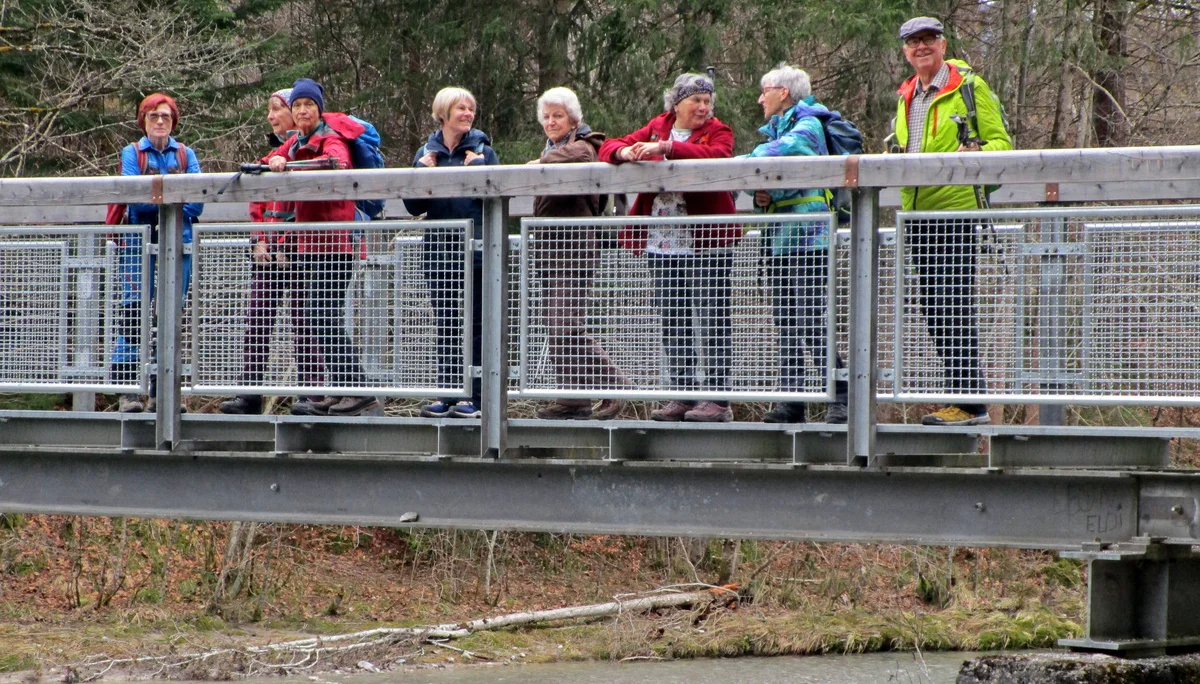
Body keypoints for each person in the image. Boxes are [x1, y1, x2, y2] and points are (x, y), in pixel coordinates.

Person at [598, 73, 739, 422]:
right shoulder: (657, 125)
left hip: (708, 240)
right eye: (697, 101)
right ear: (676, 104)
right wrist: (625, 151)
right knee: (673, 317)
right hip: (663, 241)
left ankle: (718, 400)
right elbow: (607, 146)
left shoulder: (719, 131)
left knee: (712, 317)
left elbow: (717, 156)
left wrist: (666, 149)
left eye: (708, 101)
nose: (704, 108)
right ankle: (683, 395)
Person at [894, 17, 1012, 426]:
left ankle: (970, 403)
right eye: (913, 42)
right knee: (934, 308)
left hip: (956, 211)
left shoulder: (967, 87)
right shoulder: (908, 94)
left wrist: (977, 150)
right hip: (919, 215)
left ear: (942, 44)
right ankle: (963, 399)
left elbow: (1003, 145)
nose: (921, 47)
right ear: (905, 50)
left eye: (928, 39)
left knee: (953, 305)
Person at [265, 78, 378, 417]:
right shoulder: (298, 140)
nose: (301, 111)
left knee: (321, 314)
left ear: (319, 109)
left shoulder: (330, 137)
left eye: (308, 105)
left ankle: (356, 389)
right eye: (297, 105)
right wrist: (272, 162)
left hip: (335, 243)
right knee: (318, 316)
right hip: (310, 244)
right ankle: (343, 387)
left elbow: (336, 164)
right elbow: (270, 158)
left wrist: (290, 166)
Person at [746, 64, 848, 424]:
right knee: (787, 321)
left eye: (765, 90)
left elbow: (777, 155)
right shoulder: (780, 128)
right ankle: (793, 401)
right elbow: (771, 178)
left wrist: (741, 165)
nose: (760, 98)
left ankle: (842, 397)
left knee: (807, 319)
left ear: (784, 93)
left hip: (810, 238)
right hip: (780, 238)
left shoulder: (808, 125)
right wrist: (758, 191)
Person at [527, 87, 632, 420]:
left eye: (557, 115)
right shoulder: (554, 149)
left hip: (573, 248)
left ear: (573, 118)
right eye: (546, 116)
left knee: (566, 327)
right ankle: (573, 398)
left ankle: (616, 385)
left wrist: (539, 162)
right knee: (554, 325)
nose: (550, 122)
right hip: (550, 248)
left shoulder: (584, 145)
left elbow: (583, 157)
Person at [219, 88, 323, 415]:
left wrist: (288, 242)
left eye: (276, 109)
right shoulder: (273, 154)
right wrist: (260, 239)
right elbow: (259, 203)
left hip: (303, 250)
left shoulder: (309, 151)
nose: (270, 116)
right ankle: (250, 392)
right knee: (257, 318)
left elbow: (309, 204)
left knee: (306, 321)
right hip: (269, 252)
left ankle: (312, 394)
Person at [403, 87, 499, 419]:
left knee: (477, 325)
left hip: (477, 253)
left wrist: (481, 170)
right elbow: (413, 205)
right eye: (461, 108)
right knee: (445, 323)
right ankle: (447, 393)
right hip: (439, 252)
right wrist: (423, 173)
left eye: (471, 109)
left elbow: (496, 200)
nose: (468, 114)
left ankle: (475, 397)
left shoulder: (484, 151)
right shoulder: (425, 153)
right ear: (443, 113)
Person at [110, 93, 203, 413]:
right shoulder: (132, 152)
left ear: (174, 121)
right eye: (153, 117)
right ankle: (128, 392)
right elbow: (132, 197)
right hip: (139, 245)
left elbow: (197, 200)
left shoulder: (185, 154)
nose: (160, 121)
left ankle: (165, 392)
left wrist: (157, 200)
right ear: (143, 122)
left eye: (165, 116)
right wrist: (171, 198)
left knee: (170, 317)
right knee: (134, 313)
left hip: (180, 244)